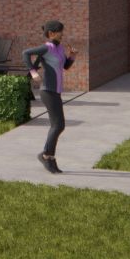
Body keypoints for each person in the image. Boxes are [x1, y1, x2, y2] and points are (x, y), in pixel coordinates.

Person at [24, 19, 77, 174]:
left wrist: (72, 56)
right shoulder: (46, 48)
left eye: (62, 31)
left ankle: (47, 155)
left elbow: (65, 66)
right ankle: (47, 156)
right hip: (48, 91)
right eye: (60, 31)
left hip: (56, 91)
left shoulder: (59, 48)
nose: (62, 34)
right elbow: (25, 53)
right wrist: (33, 73)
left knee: (58, 125)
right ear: (51, 33)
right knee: (58, 125)